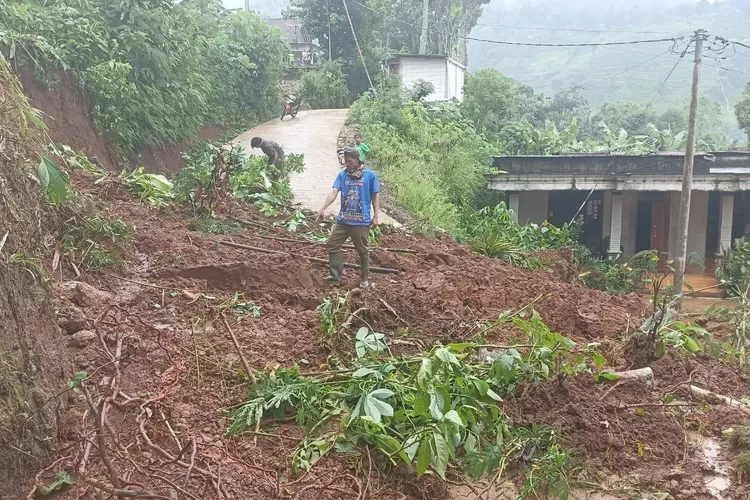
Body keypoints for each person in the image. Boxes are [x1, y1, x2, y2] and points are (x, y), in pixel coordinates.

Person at [316, 148, 380, 288]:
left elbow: (375, 196)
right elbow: (334, 192)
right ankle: (334, 277)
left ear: (357, 160)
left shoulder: (370, 175)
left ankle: (364, 279)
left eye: (349, 161)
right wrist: (323, 208)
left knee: (362, 250)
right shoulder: (342, 175)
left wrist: (376, 216)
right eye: (346, 161)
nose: (347, 164)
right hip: (343, 221)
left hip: (361, 221)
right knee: (332, 244)